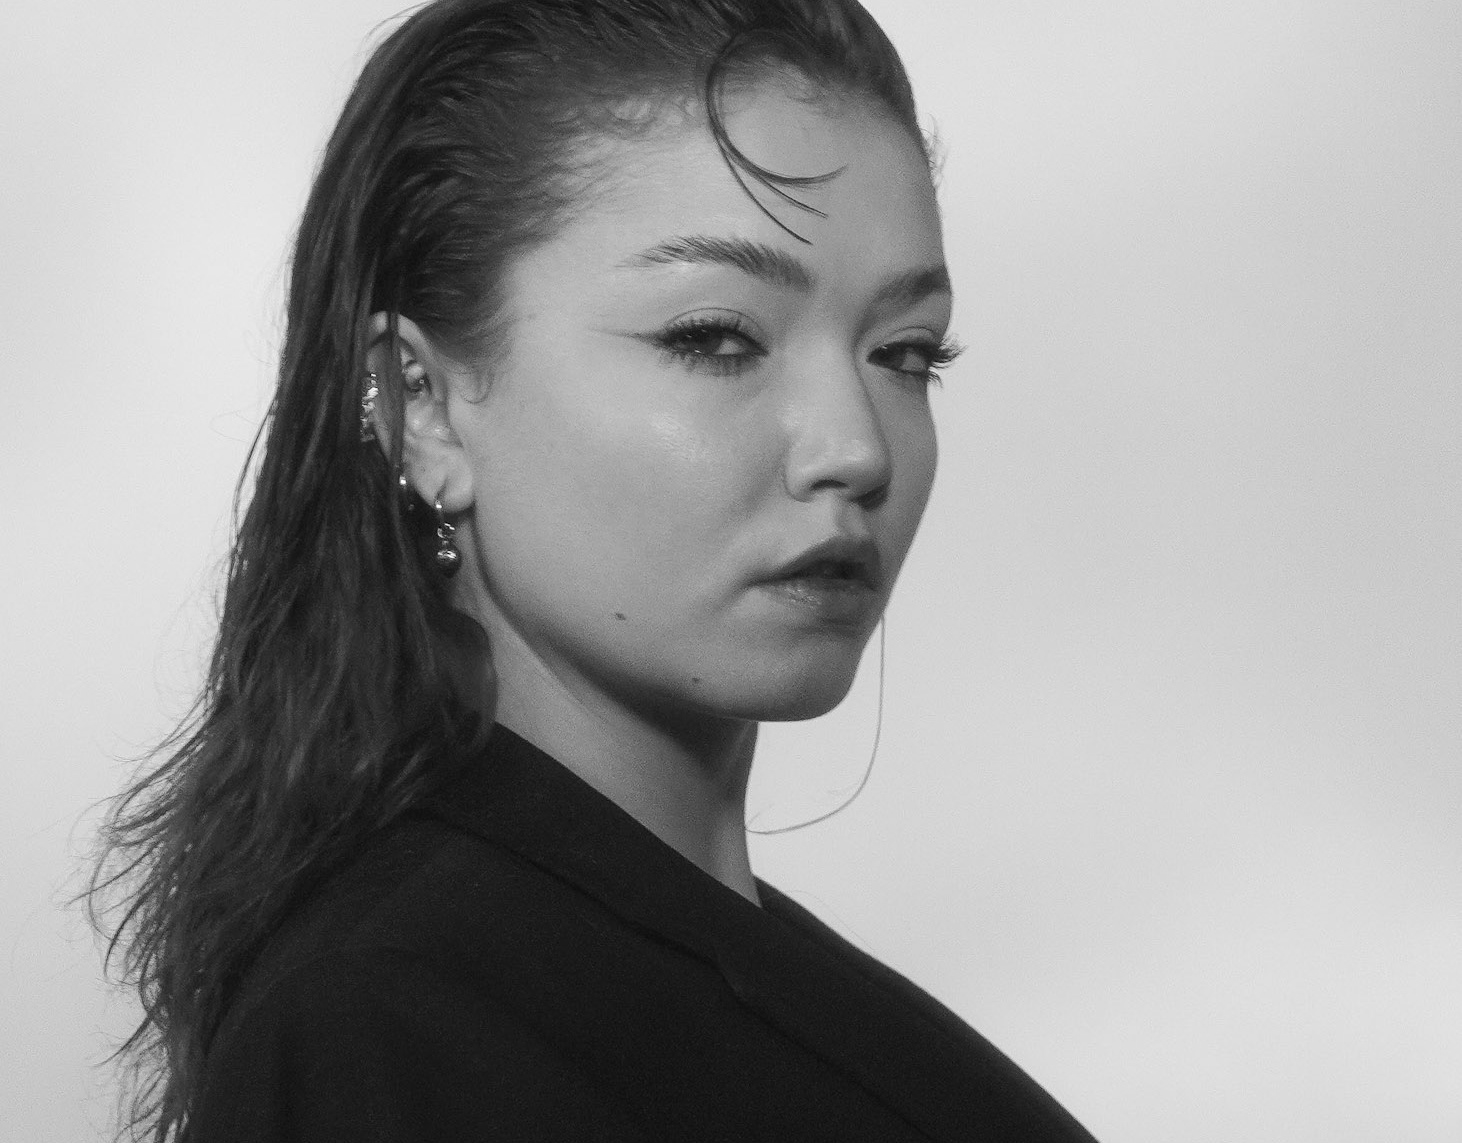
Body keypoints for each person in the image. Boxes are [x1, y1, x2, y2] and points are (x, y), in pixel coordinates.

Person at [93, 1, 1100, 1139]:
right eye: (715, 338)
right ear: (420, 404)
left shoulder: (738, 1002)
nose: (856, 447)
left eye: (905, 354)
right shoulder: (397, 1025)